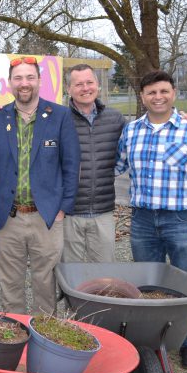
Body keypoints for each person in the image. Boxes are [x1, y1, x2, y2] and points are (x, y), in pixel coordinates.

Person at [0, 56, 80, 315]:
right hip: (9, 217)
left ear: (39, 81)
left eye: (30, 77)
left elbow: (71, 165)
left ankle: (45, 340)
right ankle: (17, 341)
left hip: (46, 216)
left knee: (45, 285)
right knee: (10, 286)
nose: (24, 83)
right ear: (10, 83)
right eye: (18, 78)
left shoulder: (59, 116)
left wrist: (63, 209)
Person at [116, 70, 187, 370]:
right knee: (146, 286)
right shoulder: (132, 131)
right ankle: (150, 342)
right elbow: (116, 165)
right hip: (143, 221)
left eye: (163, 91)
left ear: (173, 93)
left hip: (181, 219)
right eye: (151, 93)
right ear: (142, 97)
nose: (157, 97)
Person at [63, 64, 125, 263]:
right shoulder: (59, 119)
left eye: (90, 82)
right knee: (69, 275)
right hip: (69, 213)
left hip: (103, 211)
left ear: (98, 85)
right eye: (78, 84)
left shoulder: (115, 119)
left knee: (105, 274)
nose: (85, 88)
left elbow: (135, 145)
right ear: (68, 89)